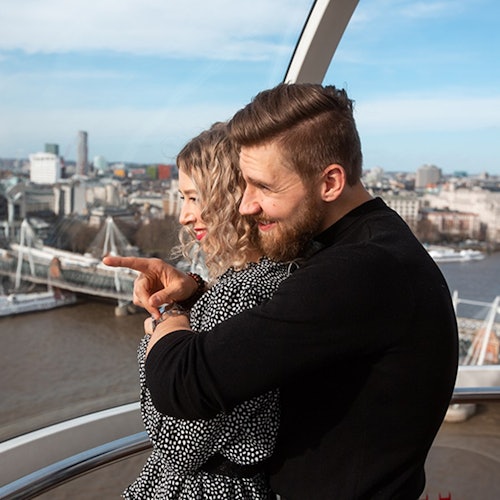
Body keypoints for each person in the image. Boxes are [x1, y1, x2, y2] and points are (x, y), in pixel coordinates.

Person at [106, 83, 459, 499]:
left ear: (330, 182)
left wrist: (169, 321)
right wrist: (195, 295)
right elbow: (277, 338)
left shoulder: (355, 271)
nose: (244, 205)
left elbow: (185, 383)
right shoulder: (376, 243)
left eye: (263, 187)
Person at [112, 123, 293, 499]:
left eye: (194, 198)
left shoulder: (241, 295)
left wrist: (164, 328)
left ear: (231, 197)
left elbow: (179, 446)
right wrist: (194, 291)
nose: (183, 215)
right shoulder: (271, 277)